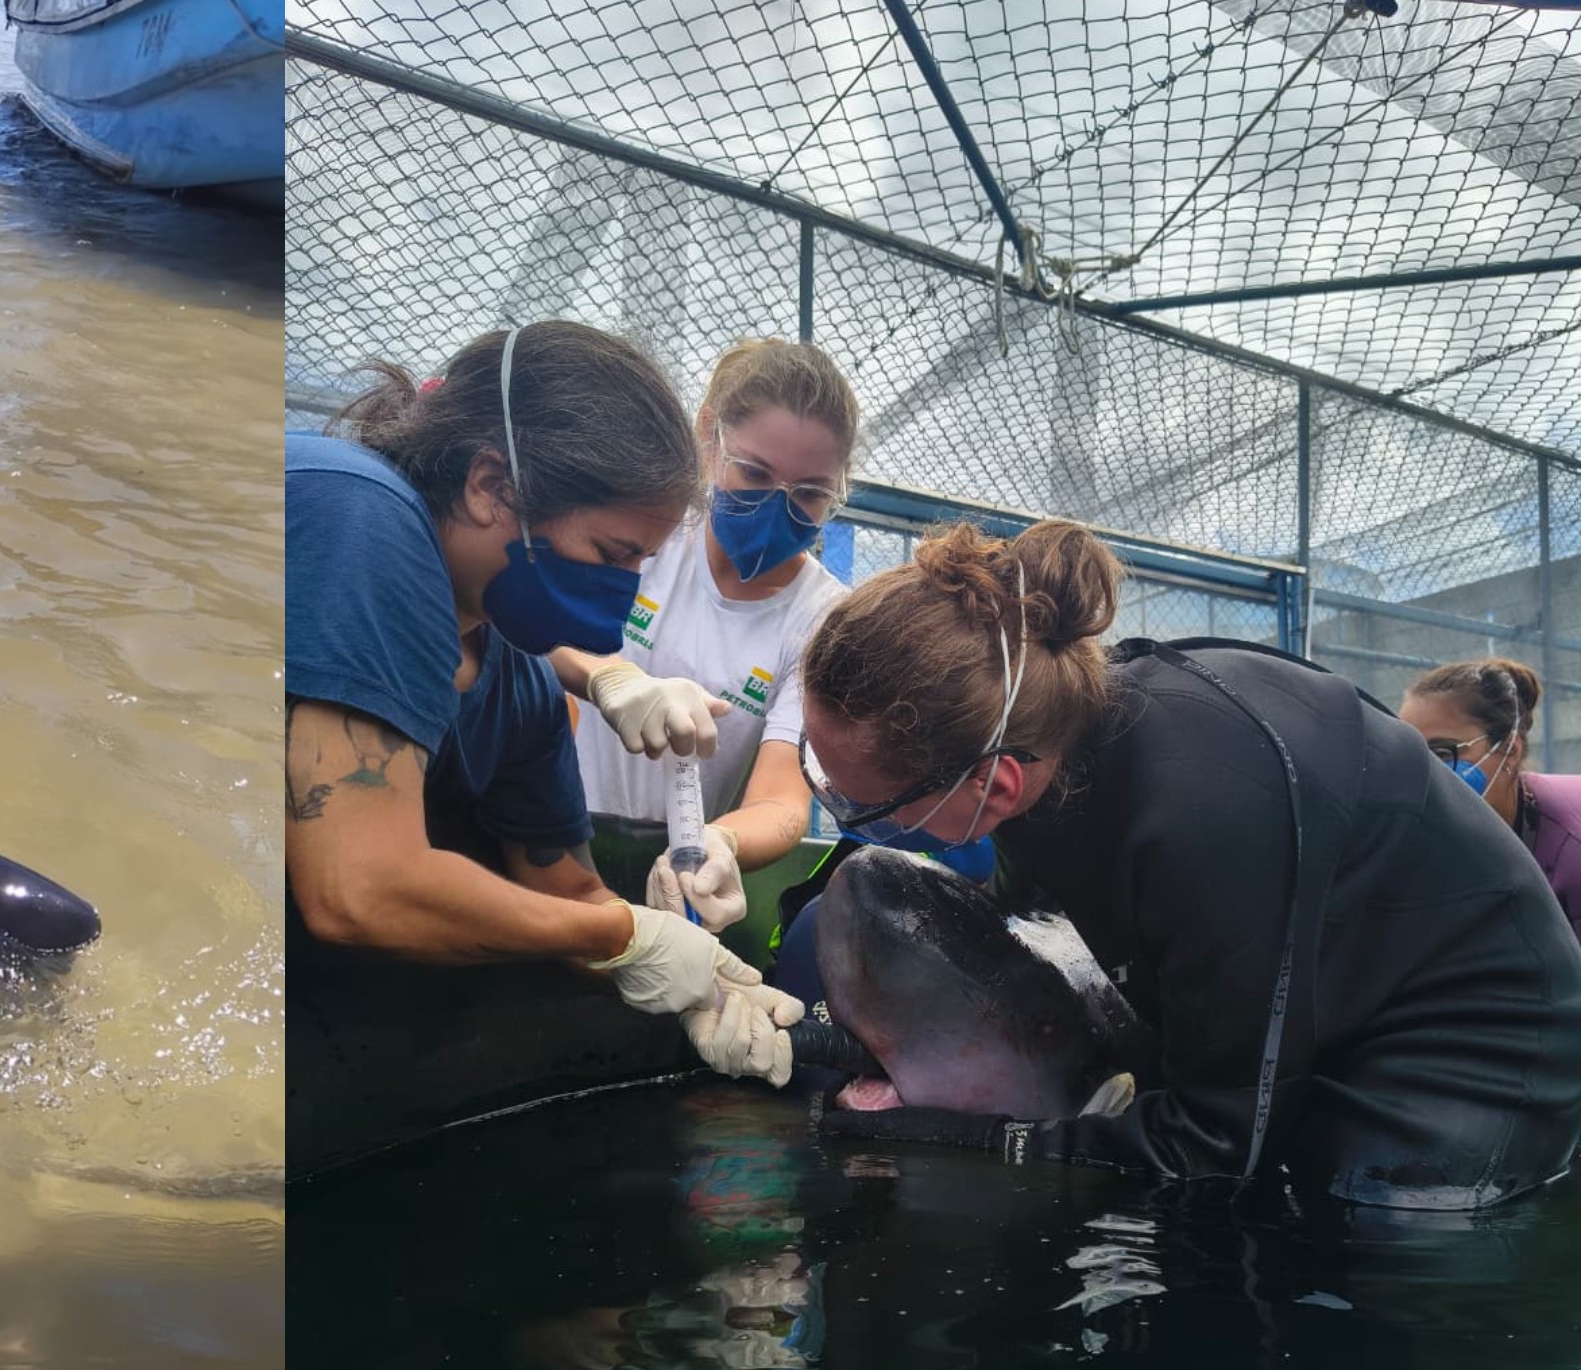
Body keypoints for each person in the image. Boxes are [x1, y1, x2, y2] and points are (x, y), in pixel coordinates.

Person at [786, 520, 1581, 1210]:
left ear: (994, 785)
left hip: (1474, 1034)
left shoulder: (1199, 812)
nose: (862, 823)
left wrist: (992, 1140)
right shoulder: (1041, 749)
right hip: (1318, 996)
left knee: (1355, 1218)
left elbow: (1217, 1145)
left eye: (864, 805)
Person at [285, 320, 806, 1171]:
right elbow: (359, 889)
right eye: (610, 552)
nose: (622, 589)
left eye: (640, 562)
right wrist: (625, 943)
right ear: (493, 485)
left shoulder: (518, 680)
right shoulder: (359, 515)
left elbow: (565, 886)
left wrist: (697, 976)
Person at [554, 338, 857, 944]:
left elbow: (782, 798)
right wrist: (607, 677)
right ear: (707, 435)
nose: (778, 507)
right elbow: (536, 634)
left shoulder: (823, 619)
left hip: (677, 863)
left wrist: (721, 841)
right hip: (556, 827)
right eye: (755, 473)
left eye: (810, 494)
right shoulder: (653, 529)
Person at [1401, 658, 1581, 937]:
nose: (1424, 773)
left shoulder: (1571, 847)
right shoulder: (1429, 834)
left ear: (1510, 749)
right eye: (1409, 755)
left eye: (1441, 753)